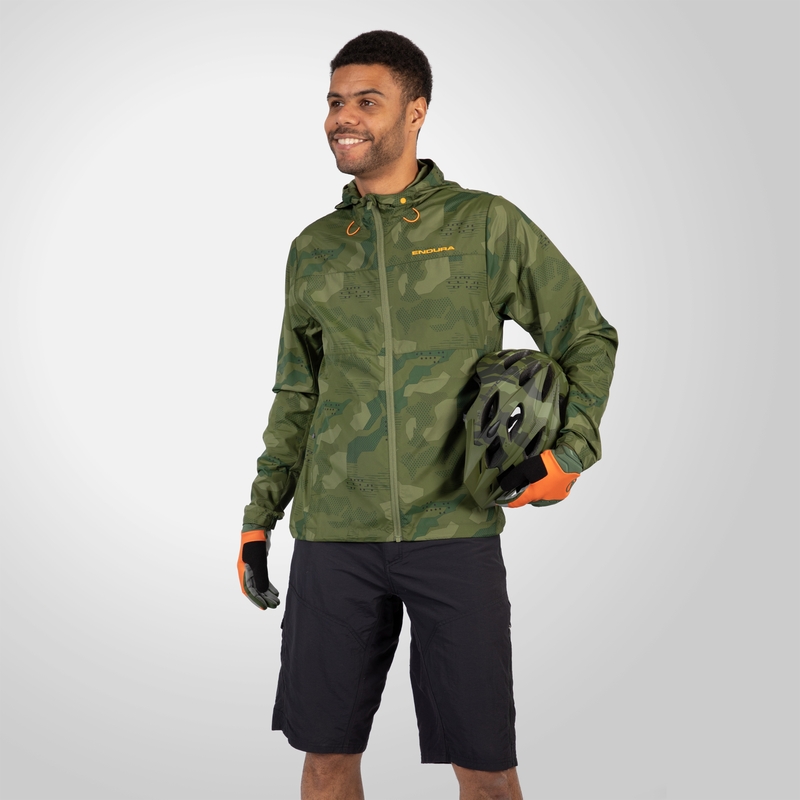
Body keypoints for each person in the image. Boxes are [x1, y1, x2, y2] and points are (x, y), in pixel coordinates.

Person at [237, 30, 618, 800]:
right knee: (325, 761)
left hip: (455, 531)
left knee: (486, 769)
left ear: (416, 112)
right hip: (334, 538)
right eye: (335, 102)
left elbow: (585, 335)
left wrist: (570, 454)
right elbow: (297, 393)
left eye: (366, 101)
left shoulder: (485, 225)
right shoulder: (314, 248)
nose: (343, 117)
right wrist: (258, 518)